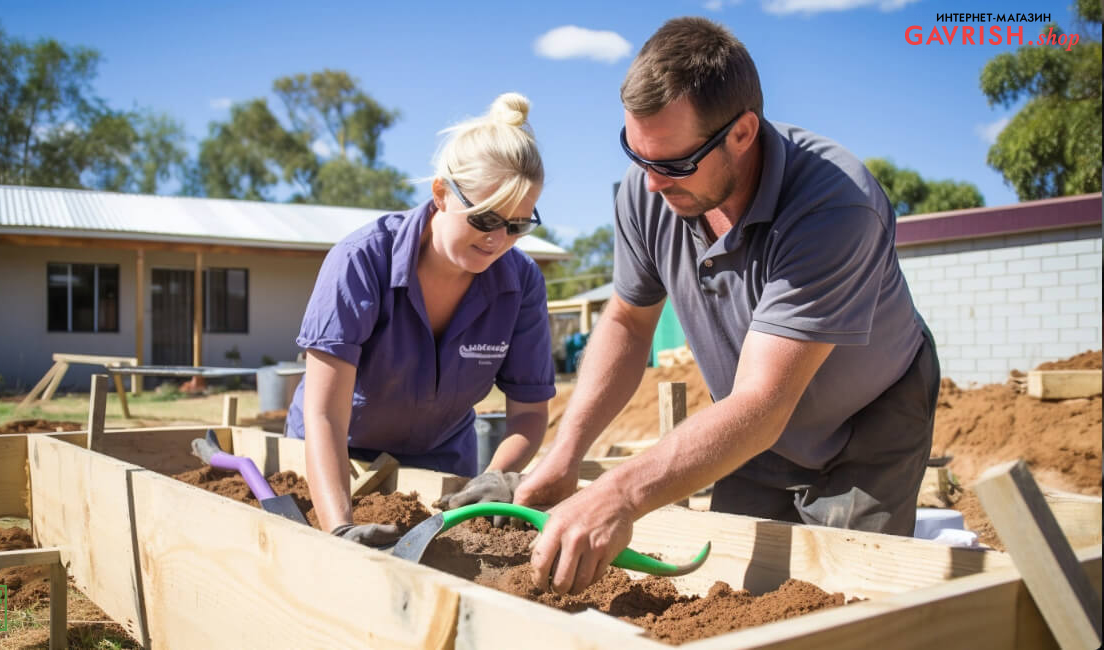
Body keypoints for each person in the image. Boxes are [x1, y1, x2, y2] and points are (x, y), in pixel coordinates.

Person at [516, 17, 940, 595]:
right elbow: (627, 321)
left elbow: (765, 404)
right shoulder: (650, 190)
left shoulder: (835, 205)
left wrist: (616, 494)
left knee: (850, 599)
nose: (650, 183)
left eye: (671, 163)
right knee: (738, 596)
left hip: (865, 424)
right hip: (744, 420)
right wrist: (567, 454)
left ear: (742, 133)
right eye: (635, 153)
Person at [285, 92, 556, 547]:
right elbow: (325, 415)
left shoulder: (521, 283)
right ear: (441, 193)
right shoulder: (360, 261)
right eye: (486, 218)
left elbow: (529, 412)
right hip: (335, 458)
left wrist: (495, 478)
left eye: (518, 226)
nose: (498, 240)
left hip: (441, 461)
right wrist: (339, 527)